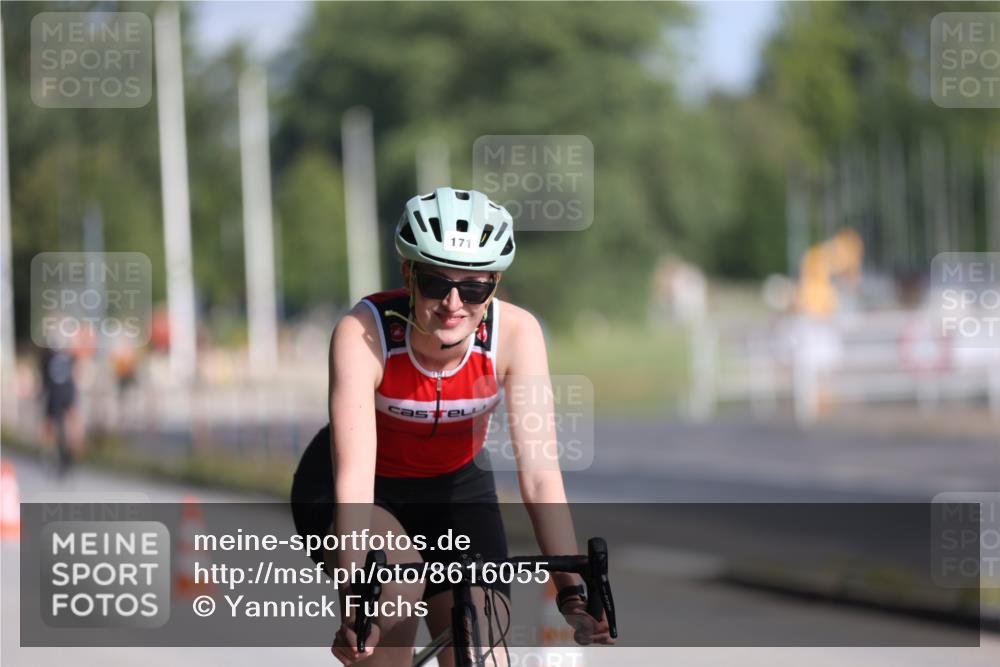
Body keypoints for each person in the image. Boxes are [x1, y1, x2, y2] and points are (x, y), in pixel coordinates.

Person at [291, 187, 613, 666]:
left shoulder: (516, 335)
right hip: (366, 489)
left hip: (457, 489)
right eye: (437, 284)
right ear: (409, 276)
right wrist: (357, 601)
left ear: (495, 287)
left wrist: (571, 591)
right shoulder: (363, 333)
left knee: (485, 651)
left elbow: (541, 474)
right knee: (393, 606)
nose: (454, 303)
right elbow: (355, 476)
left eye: (475, 287)